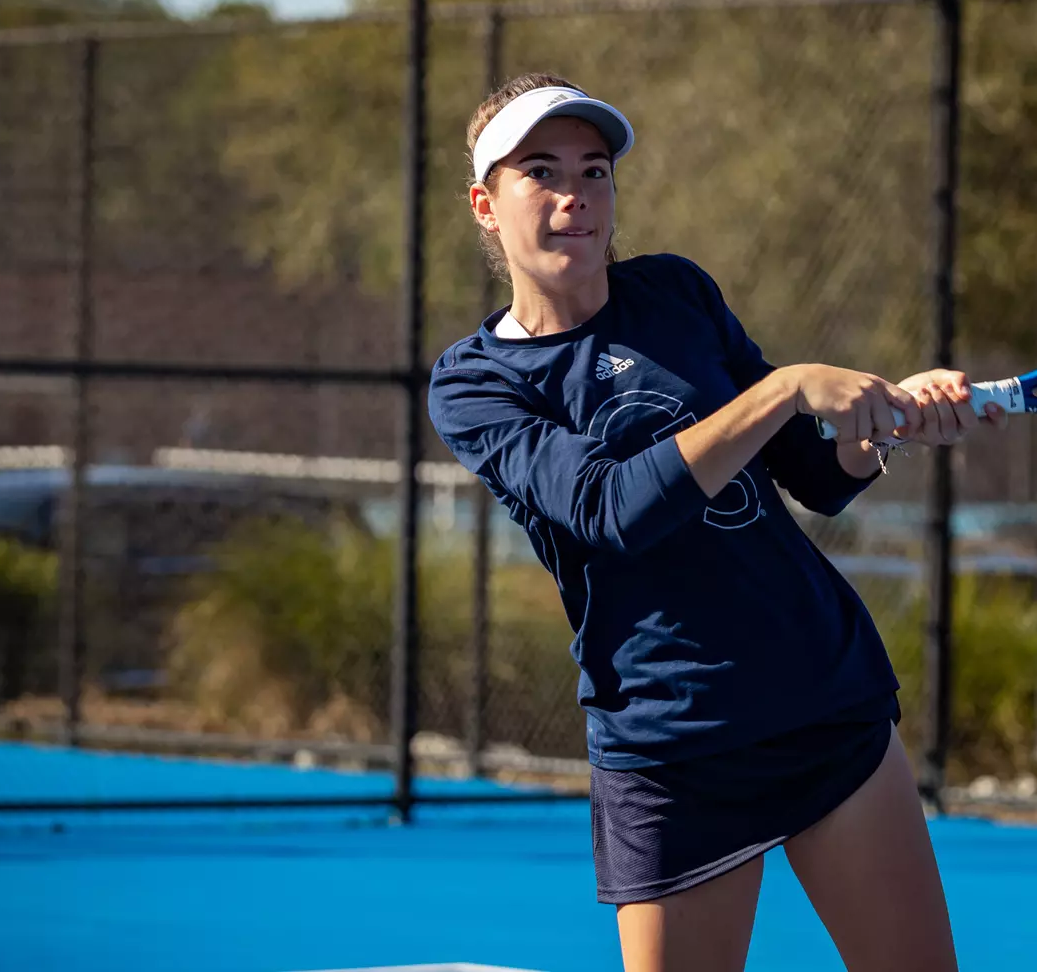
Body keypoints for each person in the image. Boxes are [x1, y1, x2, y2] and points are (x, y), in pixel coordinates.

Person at [427, 72, 1004, 972]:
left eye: (594, 171)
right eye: (540, 171)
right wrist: (783, 391)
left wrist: (885, 423)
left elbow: (816, 475)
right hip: (671, 744)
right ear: (486, 204)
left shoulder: (676, 294)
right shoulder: (475, 383)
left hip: (822, 697)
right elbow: (610, 511)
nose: (574, 195)